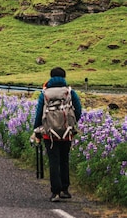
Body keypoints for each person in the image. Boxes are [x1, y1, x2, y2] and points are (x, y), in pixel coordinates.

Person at [33, 67, 82, 202]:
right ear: (64, 77)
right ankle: (65, 190)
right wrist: (71, 124)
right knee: (64, 160)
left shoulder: (45, 93)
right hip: (67, 132)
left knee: (54, 161)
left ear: (51, 77)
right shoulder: (70, 92)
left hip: (50, 134)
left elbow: (39, 114)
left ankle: (55, 192)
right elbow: (78, 110)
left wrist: (36, 130)